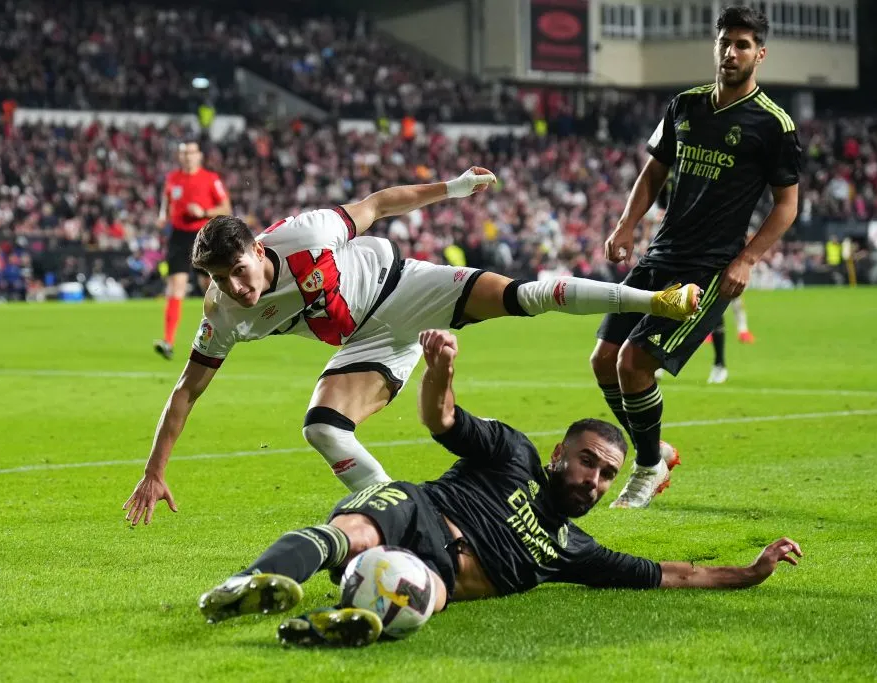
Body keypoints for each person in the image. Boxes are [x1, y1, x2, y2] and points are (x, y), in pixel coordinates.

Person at [123, 167, 701, 525]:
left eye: (239, 271)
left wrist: (453, 188)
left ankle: (653, 300)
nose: (235, 287)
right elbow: (186, 391)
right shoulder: (220, 313)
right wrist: (154, 471)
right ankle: (400, 515)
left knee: (525, 296)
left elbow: (377, 204)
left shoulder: (306, 235)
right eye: (220, 279)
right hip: (366, 341)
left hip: (403, 287)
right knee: (322, 427)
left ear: (258, 247)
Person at [196, 329, 803, 647]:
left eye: (607, 476)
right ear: (560, 455)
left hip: (434, 570)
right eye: (588, 463)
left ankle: (338, 626)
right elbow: (442, 421)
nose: (594, 482)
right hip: (416, 510)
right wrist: (442, 372)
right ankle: (256, 581)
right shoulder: (512, 454)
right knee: (356, 528)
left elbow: (676, 574)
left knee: (422, 594)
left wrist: (750, 572)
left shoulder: (575, 552)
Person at [589, 6, 801, 508]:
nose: (731, 52)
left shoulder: (774, 125)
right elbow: (653, 173)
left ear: (760, 54)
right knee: (602, 361)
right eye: (725, 42)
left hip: (709, 268)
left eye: (743, 44)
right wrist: (625, 224)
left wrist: (746, 260)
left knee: (634, 362)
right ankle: (654, 448)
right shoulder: (684, 105)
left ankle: (645, 468)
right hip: (661, 252)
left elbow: (787, 205)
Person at [154, 140, 232, 361]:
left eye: (191, 152)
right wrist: (163, 217)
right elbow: (166, 202)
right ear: (180, 156)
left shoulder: (210, 179)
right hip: (179, 237)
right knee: (175, 286)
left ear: (199, 156)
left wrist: (204, 211)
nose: (187, 156)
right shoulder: (172, 179)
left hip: (204, 235)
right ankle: (168, 341)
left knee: (210, 287)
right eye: (184, 153)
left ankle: (222, 333)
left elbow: (226, 208)